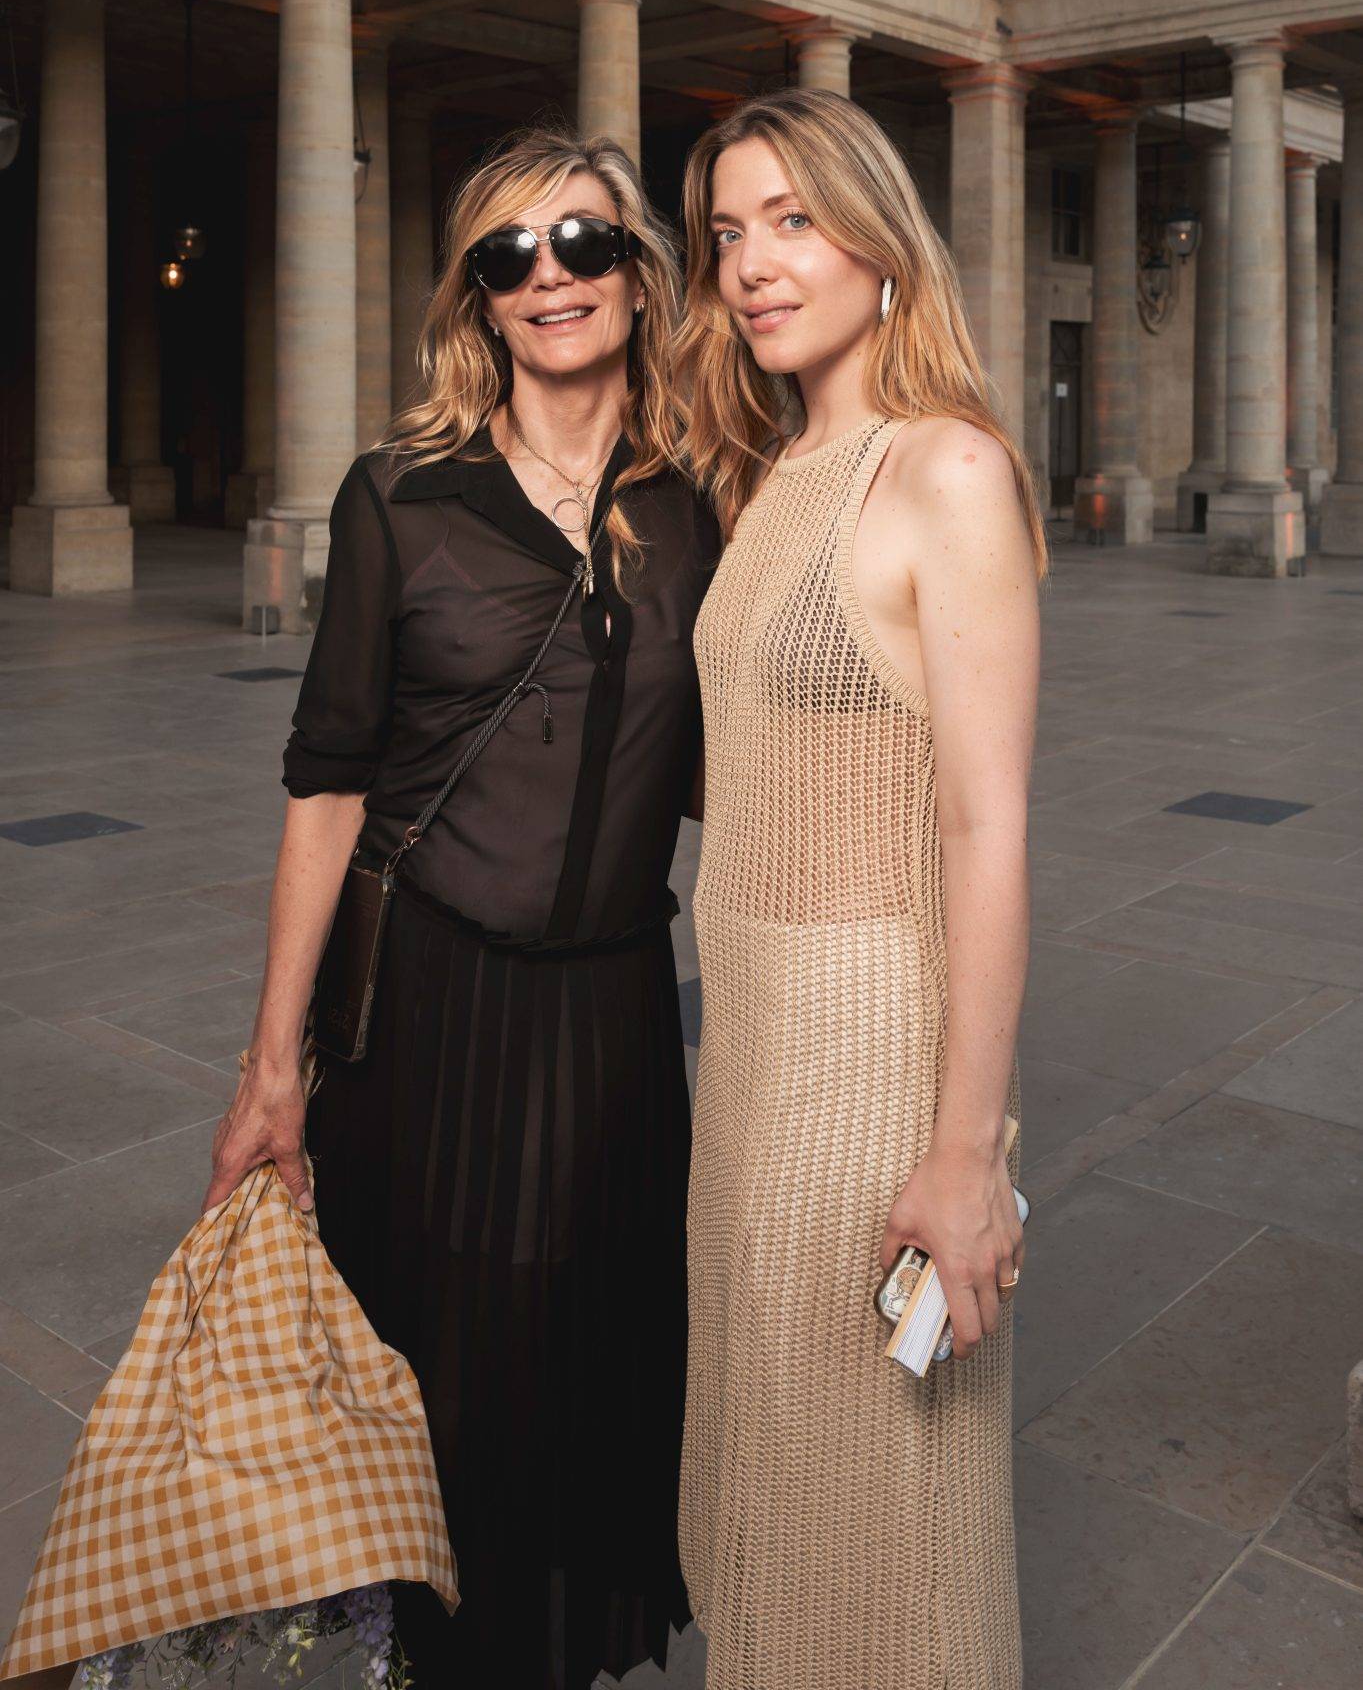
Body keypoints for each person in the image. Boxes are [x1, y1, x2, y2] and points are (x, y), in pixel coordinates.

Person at [202, 125, 717, 1689]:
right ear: (479, 302)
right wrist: (270, 1066)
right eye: (508, 257)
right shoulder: (401, 498)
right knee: (443, 1377)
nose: (547, 278)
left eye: (580, 245)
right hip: (431, 1011)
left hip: (619, 1012)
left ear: (636, 274)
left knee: (593, 1369)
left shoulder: (699, 503)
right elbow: (327, 783)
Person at [674, 86, 1046, 1690]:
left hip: (868, 1045)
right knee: (765, 1471)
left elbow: (988, 825)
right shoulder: (768, 477)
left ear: (882, 242)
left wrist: (963, 1153)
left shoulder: (946, 469)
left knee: (878, 1503)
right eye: (729, 232)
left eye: (794, 220)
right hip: (745, 1042)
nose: (756, 263)